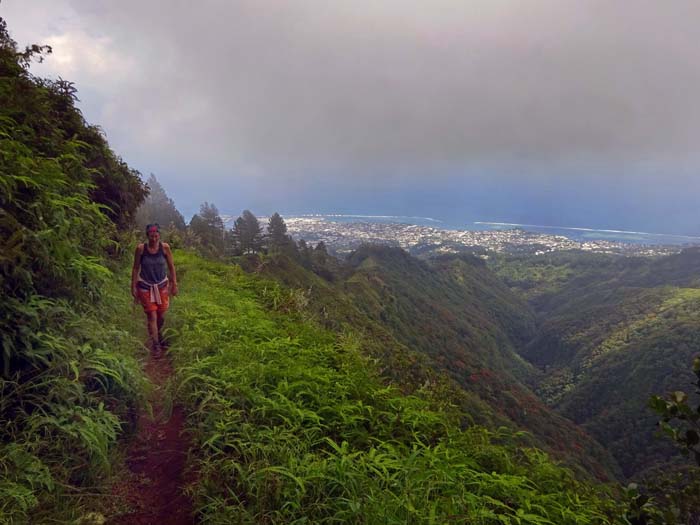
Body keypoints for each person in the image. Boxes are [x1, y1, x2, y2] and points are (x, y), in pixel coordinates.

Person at [131, 223, 178, 358]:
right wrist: (133, 285)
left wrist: (174, 283)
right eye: (151, 236)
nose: (154, 238)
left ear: (159, 235)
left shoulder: (165, 248)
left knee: (161, 314)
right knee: (152, 315)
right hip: (145, 286)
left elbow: (171, 266)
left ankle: (159, 333)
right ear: (147, 236)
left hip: (162, 285)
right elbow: (135, 268)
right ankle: (156, 344)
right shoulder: (140, 249)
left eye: (156, 235)